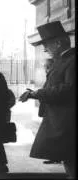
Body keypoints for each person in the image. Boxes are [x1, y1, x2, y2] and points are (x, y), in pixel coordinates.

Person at [19, 21, 76, 178]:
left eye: (47, 44)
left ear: (58, 43)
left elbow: (68, 89)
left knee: (71, 158)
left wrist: (37, 94)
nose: (44, 49)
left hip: (67, 120)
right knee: (68, 157)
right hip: (61, 119)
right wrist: (36, 93)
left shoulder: (71, 60)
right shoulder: (64, 60)